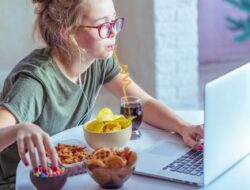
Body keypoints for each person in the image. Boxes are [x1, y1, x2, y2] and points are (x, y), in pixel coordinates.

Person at [0, 0, 203, 189]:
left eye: (114, 21)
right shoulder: (35, 83)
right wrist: (20, 128)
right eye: (103, 26)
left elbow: (144, 102)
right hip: (19, 181)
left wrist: (183, 127)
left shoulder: (98, 60)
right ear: (68, 33)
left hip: (65, 173)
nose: (113, 32)